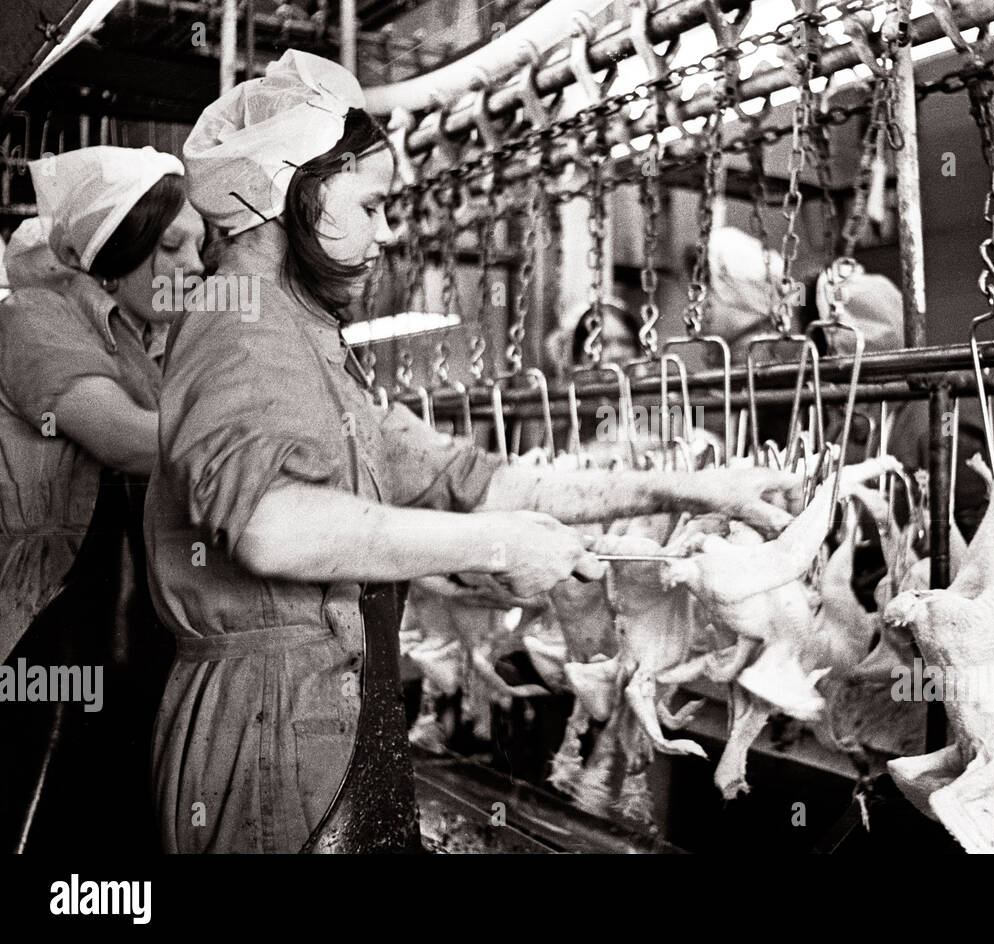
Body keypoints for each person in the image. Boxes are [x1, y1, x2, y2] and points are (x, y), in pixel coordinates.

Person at [150, 50, 801, 854]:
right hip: (269, 733)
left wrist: (697, 489)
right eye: (373, 204)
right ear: (294, 191)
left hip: (328, 716)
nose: (388, 231)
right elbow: (272, 528)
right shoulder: (239, 322)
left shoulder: (308, 343)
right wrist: (496, 545)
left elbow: (473, 479)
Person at [0, 146, 206, 852]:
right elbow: (119, 438)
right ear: (116, 247)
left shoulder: (145, 351)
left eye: (199, 249)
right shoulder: (36, 317)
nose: (195, 268)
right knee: (45, 822)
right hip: (48, 646)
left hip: (129, 645)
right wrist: (260, 441)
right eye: (173, 245)